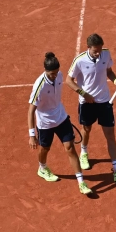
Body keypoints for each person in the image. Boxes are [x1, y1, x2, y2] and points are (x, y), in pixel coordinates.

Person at [66, 33, 116, 182]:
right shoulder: (79, 61)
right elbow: (69, 80)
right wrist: (84, 93)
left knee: (110, 134)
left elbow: (108, 71)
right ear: (88, 48)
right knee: (86, 129)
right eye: (96, 50)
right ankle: (84, 152)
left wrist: (115, 82)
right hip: (87, 103)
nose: (99, 53)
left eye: (100, 50)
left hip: (104, 101)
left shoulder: (106, 54)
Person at [28, 52, 92, 195]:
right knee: (45, 149)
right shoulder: (40, 85)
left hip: (61, 117)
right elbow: (31, 110)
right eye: (51, 74)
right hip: (45, 123)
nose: (55, 76)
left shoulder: (60, 75)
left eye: (56, 73)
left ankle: (81, 182)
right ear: (45, 71)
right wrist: (32, 135)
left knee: (70, 148)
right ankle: (42, 168)